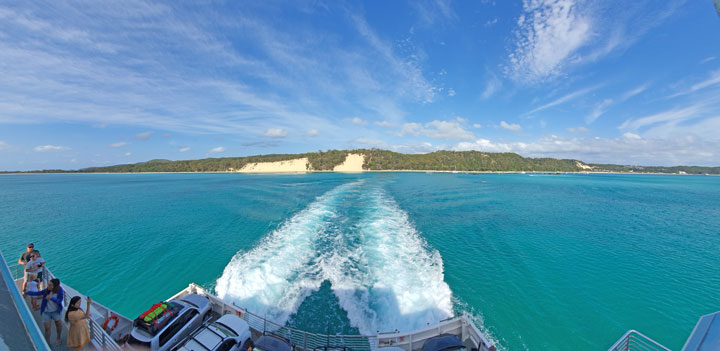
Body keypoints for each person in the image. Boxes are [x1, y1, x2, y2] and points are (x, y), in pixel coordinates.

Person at [24, 278, 64, 346]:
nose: (48, 286)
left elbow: (59, 301)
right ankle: (47, 343)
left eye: (50, 285)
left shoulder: (60, 291)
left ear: (55, 286)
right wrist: (27, 292)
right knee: (47, 328)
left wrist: (51, 298)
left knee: (58, 325)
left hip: (56, 311)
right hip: (46, 312)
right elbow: (37, 293)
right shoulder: (47, 290)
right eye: (48, 284)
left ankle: (58, 337)